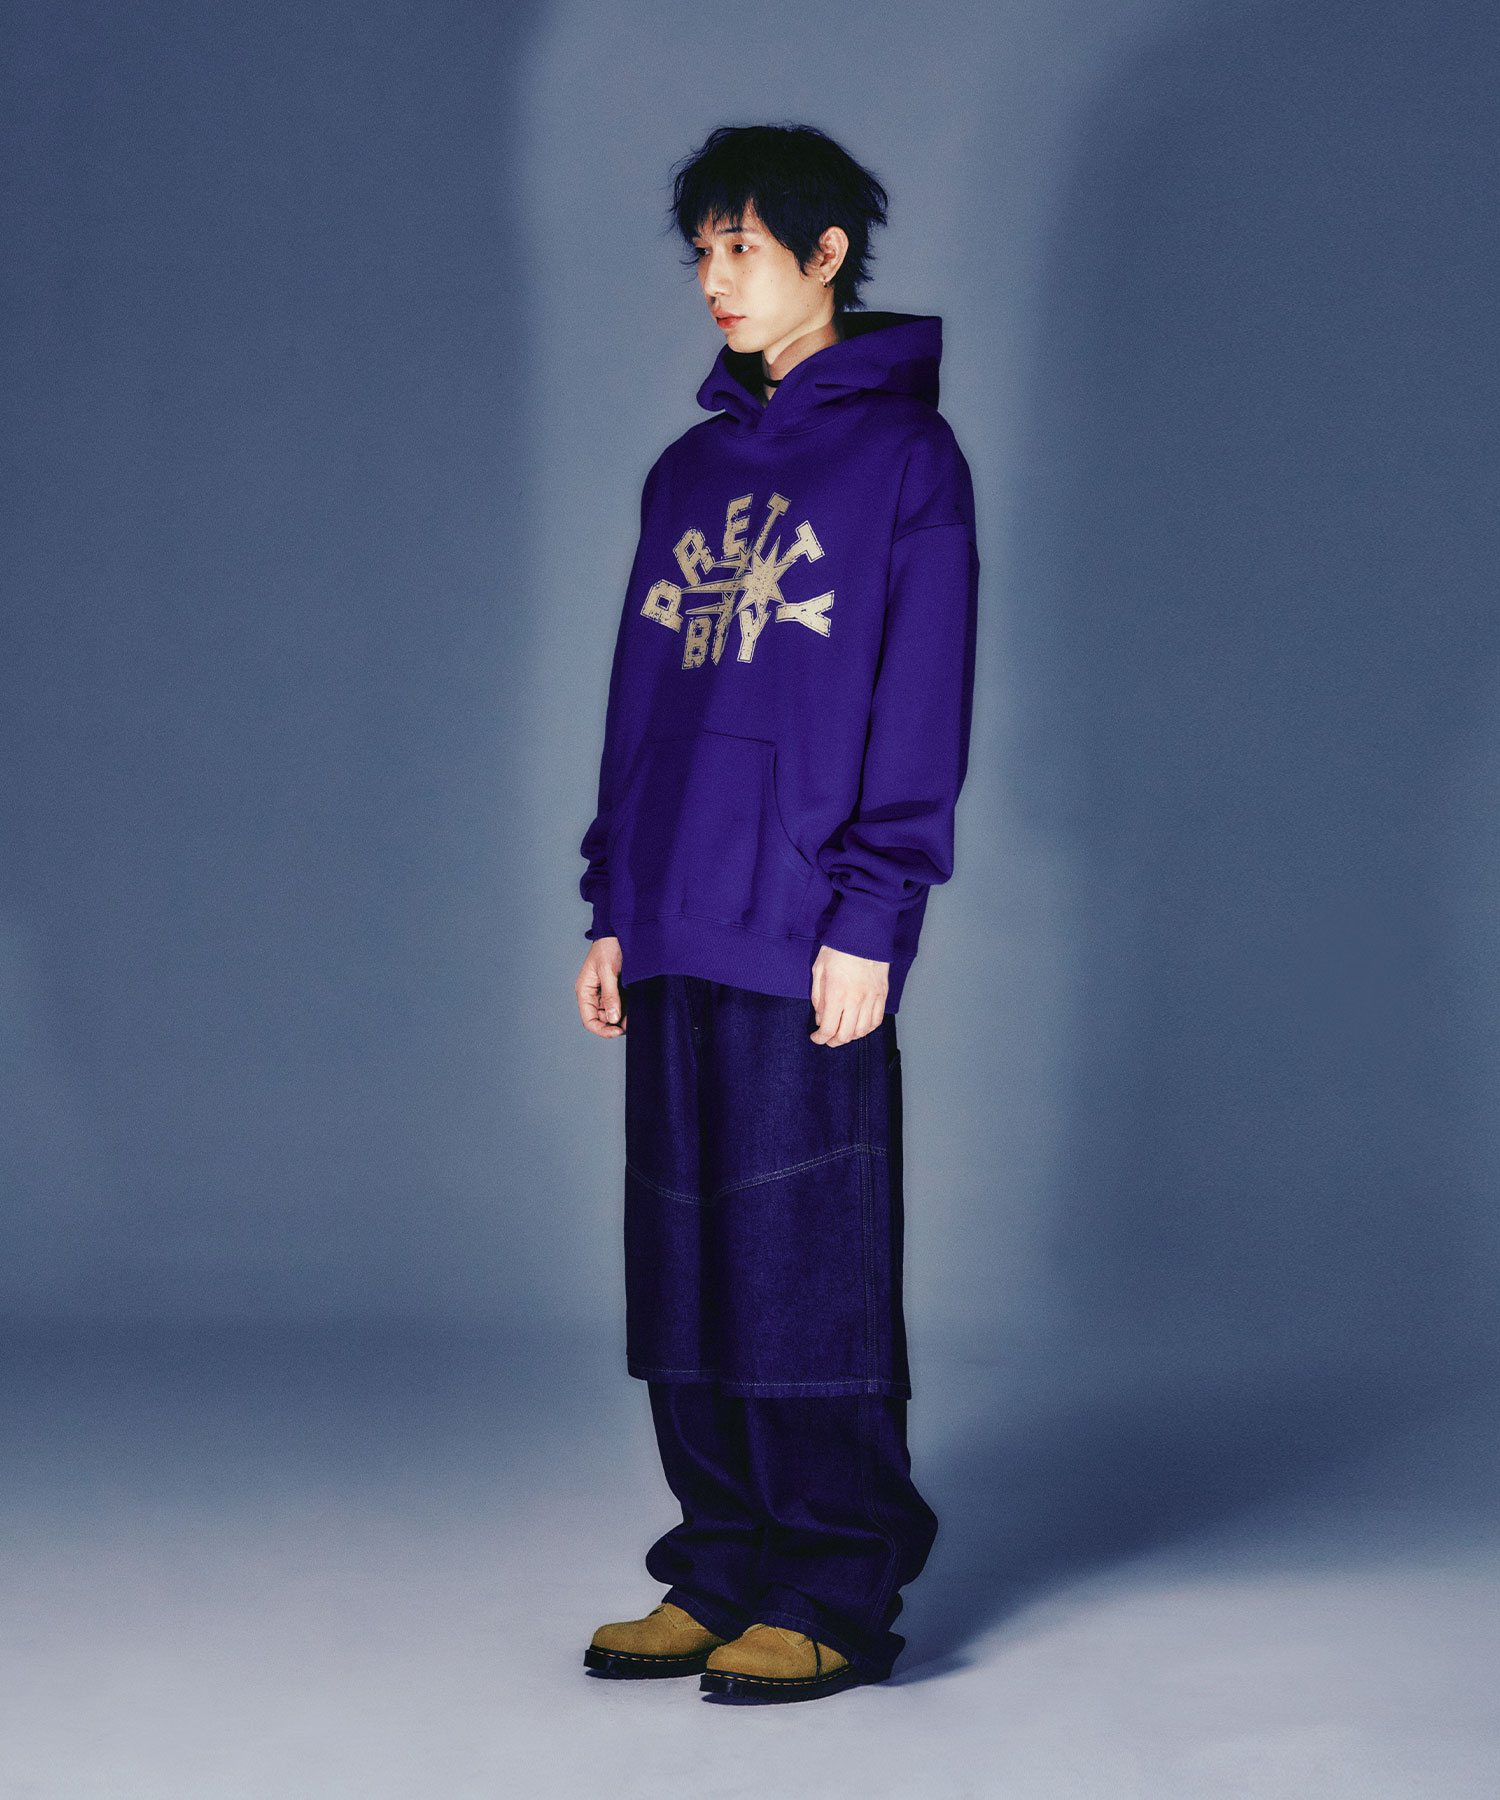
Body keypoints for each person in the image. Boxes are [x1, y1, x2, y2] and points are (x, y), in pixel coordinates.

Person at [574, 122, 978, 1704]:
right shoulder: (683, 473)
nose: (715, 280)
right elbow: (641, 704)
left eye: (744, 248)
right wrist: (612, 903)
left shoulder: (906, 462)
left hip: (807, 917)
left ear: (825, 255)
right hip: (674, 910)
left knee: (806, 1260)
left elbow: (919, 702)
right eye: (702, 253)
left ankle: (833, 1582)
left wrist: (875, 912)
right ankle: (721, 1561)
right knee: (683, 1258)